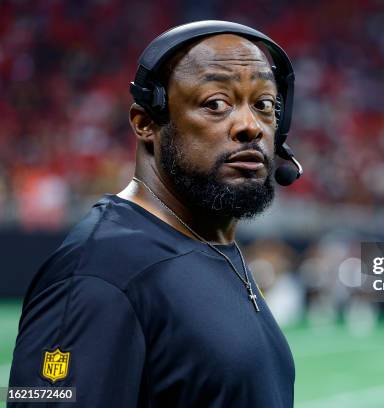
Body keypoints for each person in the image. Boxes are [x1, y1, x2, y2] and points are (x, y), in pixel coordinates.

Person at [9, 21, 297, 407]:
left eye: (263, 105)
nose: (249, 126)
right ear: (146, 123)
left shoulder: (209, 245)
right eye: (216, 104)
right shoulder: (99, 271)